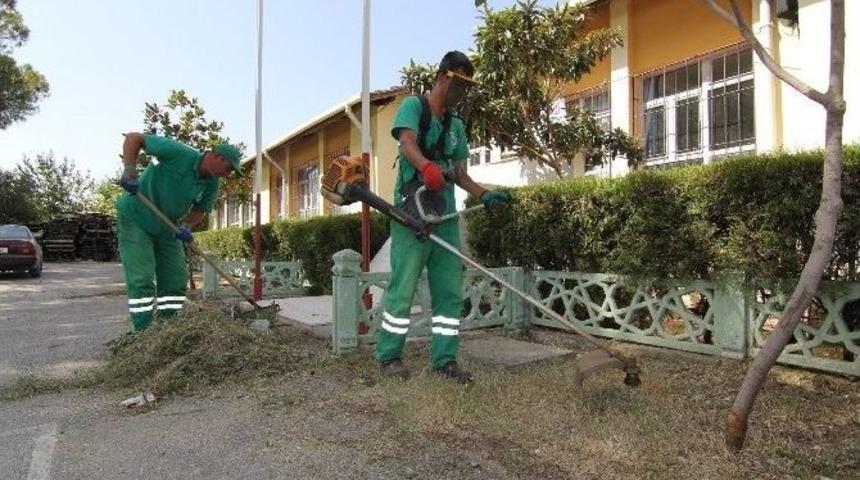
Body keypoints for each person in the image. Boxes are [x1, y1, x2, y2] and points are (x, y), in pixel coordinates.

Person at [377, 51, 512, 383]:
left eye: (467, 87)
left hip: (445, 217)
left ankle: (445, 360)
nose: (461, 92)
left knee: (450, 290)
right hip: (412, 214)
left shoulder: (456, 125)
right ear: (441, 77)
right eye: (457, 84)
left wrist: (484, 194)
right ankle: (389, 356)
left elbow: (461, 174)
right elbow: (406, 142)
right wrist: (425, 167)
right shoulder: (414, 107)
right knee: (403, 288)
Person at [115, 133, 241, 332]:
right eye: (229, 168)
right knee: (142, 278)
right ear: (217, 157)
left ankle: (167, 327)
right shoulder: (179, 153)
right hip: (137, 218)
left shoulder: (212, 184)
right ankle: (143, 332)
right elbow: (134, 138)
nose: (228, 174)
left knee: (175, 279)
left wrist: (187, 226)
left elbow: (201, 209)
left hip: (168, 227)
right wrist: (130, 170)